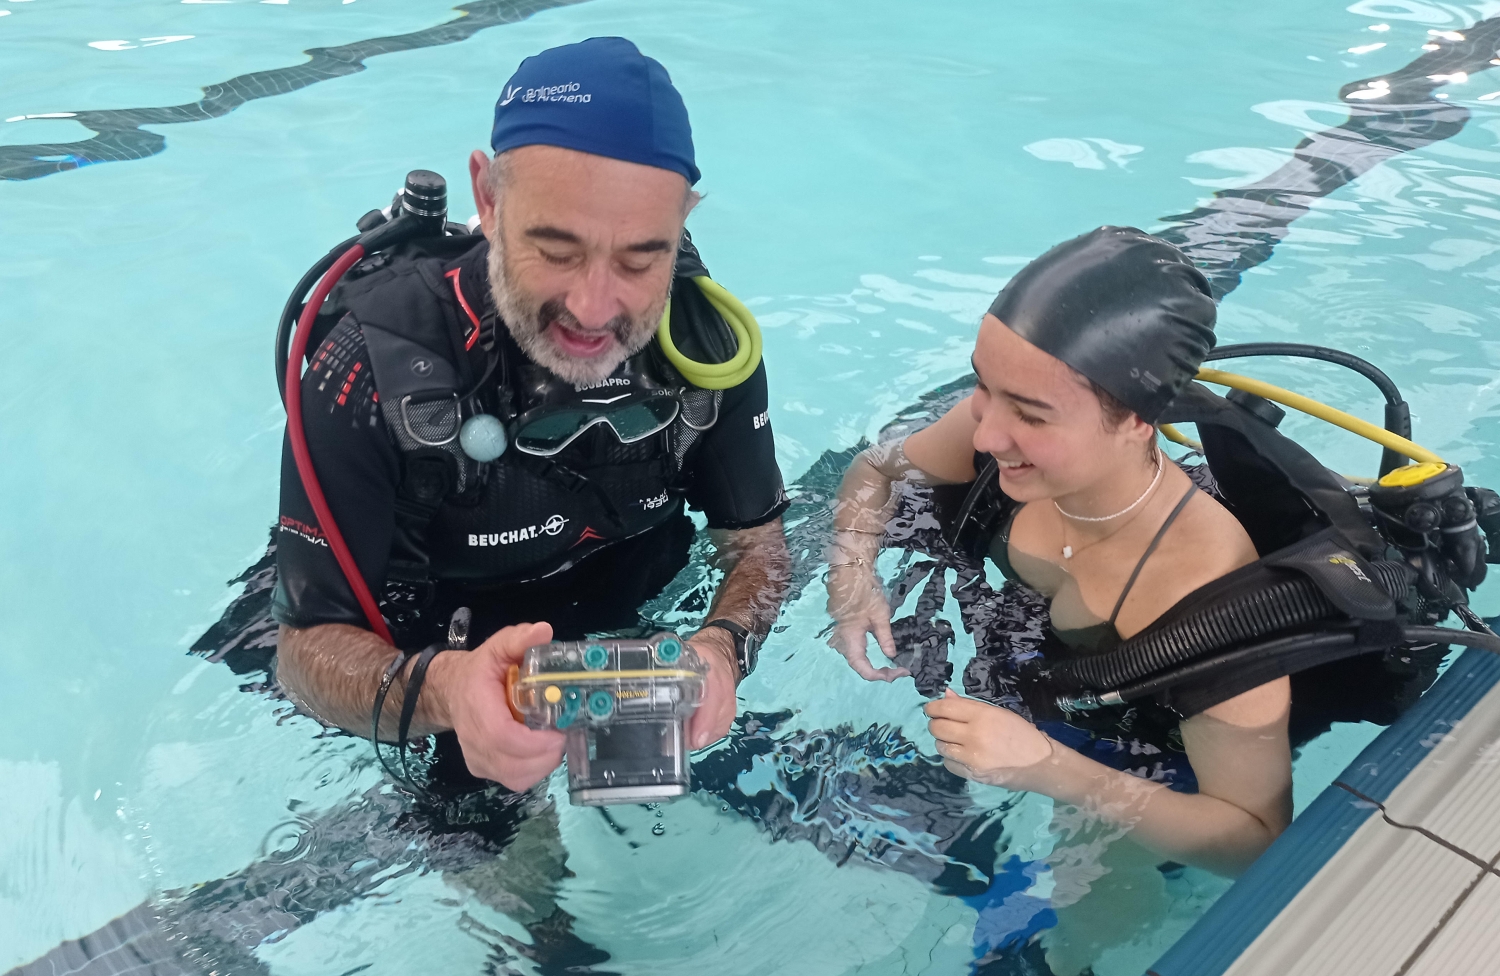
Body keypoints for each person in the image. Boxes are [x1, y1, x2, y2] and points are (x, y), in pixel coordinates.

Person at [273, 37, 790, 793]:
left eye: (641, 259)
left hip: (628, 588)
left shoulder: (707, 345)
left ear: (683, 224)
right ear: (487, 198)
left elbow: (759, 548)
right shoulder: (371, 368)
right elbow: (303, 646)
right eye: (555, 249)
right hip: (434, 630)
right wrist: (450, 690)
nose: (593, 308)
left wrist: (722, 646)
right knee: (494, 840)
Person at [826, 227, 1292, 879]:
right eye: (984, 384)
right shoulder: (992, 430)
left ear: (1136, 418)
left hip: (1131, 743)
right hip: (1028, 659)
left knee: (1083, 923)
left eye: (1032, 414)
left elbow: (1255, 841)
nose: (985, 431)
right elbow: (874, 472)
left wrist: (1047, 768)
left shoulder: (1209, 599)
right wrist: (850, 576)